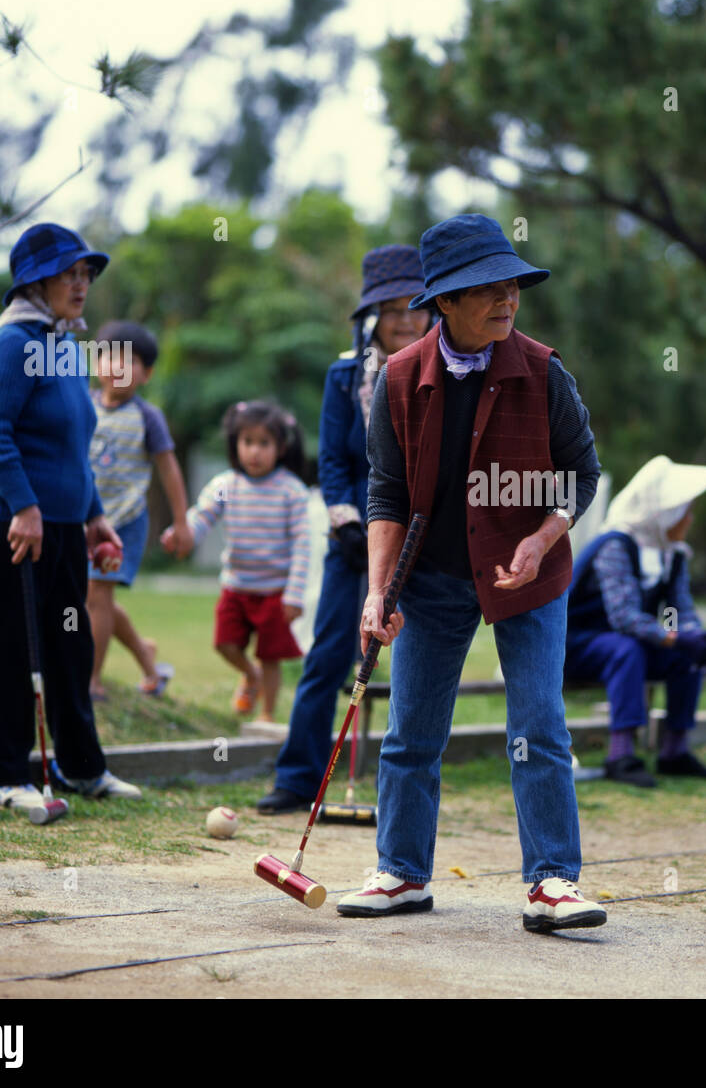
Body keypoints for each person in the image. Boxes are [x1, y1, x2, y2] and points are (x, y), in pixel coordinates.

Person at [335, 213, 606, 934]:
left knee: (539, 725)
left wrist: (546, 535)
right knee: (411, 731)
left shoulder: (544, 371)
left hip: (529, 577)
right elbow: (386, 493)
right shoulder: (398, 379)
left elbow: (583, 473)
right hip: (433, 578)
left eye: (512, 283)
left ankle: (553, 882)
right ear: (444, 302)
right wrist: (377, 591)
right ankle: (401, 873)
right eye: (487, 288)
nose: (507, 298)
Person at [0, 222, 142, 813]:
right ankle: (1, 775)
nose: (82, 283)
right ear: (35, 283)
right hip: (14, 528)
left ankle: (80, 766)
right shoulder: (14, 345)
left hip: (66, 529)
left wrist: (93, 516)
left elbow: (75, 444)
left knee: (70, 647)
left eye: (85, 273)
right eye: (70, 273)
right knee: (13, 649)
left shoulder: (65, 346)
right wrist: (24, 507)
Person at [258, 245, 432, 814]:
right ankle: (297, 777)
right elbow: (333, 460)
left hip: (427, 540)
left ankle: (406, 788)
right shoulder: (342, 377)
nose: (405, 318)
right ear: (371, 316)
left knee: (416, 658)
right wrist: (347, 521)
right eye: (391, 308)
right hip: (355, 537)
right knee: (329, 653)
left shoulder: (446, 371)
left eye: (414, 305)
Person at [565, 455, 706, 787]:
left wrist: (697, 639)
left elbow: (681, 608)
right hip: (576, 644)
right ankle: (620, 755)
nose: (690, 519)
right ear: (664, 512)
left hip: (621, 645)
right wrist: (674, 637)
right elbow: (623, 617)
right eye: (685, 510)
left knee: (685, 656)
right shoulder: (615, 545)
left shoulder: (671, 552)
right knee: (628, 649)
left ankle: (674, 751)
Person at [164, 400, 312, 724]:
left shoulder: (292, 492)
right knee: (225, 644)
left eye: (264, 443)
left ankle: (268, 716)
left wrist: (294, 595)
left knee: (271, 656)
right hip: (236, 587)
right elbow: (202, 517)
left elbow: (303, 545)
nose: (254, 452)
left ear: (281, 447)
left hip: (275, 590)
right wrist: (182, 534)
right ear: (235, 444)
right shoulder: (225, 486)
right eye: (247, 442)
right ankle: (250, 674)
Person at [85, 320, 192, 701]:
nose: (115, 367)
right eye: (108, 358)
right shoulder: (81, 405)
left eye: (127, 362)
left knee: (96, 594)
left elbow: (169, 469)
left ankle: (92, 681)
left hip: (123, 524)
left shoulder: (148, 417)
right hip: (82, 520)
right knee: (96, 597)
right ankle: (146, 657)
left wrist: (181, 522)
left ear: (146, 374)